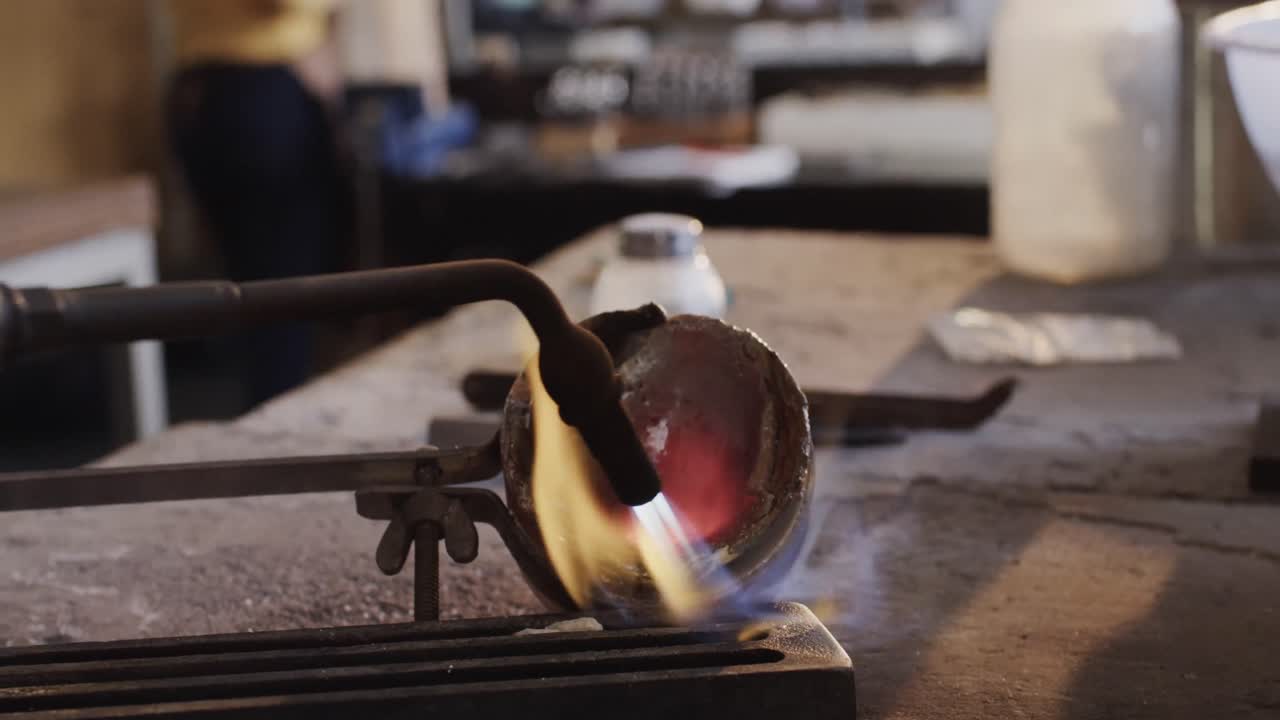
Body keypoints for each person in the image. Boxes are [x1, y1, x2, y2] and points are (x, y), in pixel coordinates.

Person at [166, 0, 347, 405]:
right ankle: (280, 443)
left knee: (252, 286)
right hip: (260, 88)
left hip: (202, 86)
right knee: (282, 291)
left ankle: (266, 420)